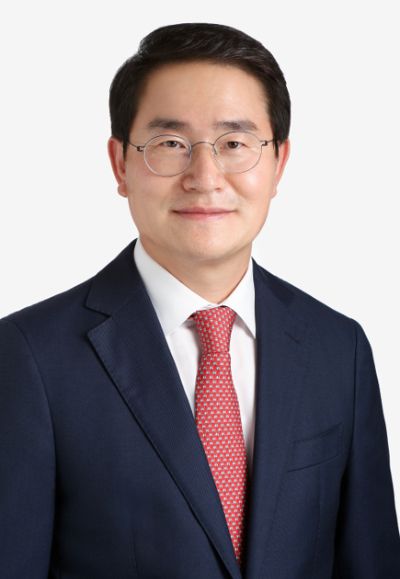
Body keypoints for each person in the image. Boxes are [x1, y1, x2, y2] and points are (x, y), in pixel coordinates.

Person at [0, 22, 399, 579]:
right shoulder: (28, 357)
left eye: (235, 144)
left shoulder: (339, 347)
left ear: (279, 163)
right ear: (120, 164)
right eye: (170, 144)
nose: (205, 177)